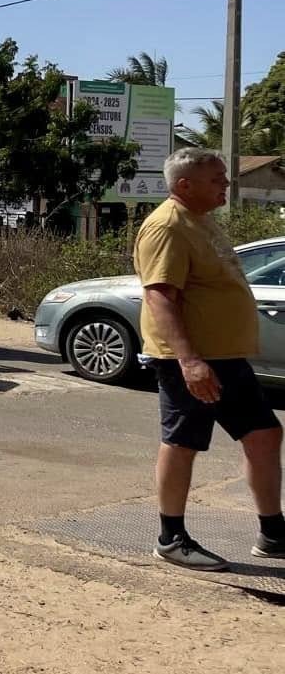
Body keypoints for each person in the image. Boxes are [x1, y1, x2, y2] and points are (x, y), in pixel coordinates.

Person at [135, 147, 283, 571]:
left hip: (226, 357)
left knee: (264, 434)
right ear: (185, 185)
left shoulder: (201, 221)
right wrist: (189, 361)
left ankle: (273, 533)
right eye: (217, 179)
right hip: (193, 359)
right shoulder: (166, 226)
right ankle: (171, 537)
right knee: (183, 442)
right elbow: (160, 296)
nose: (226, 185)